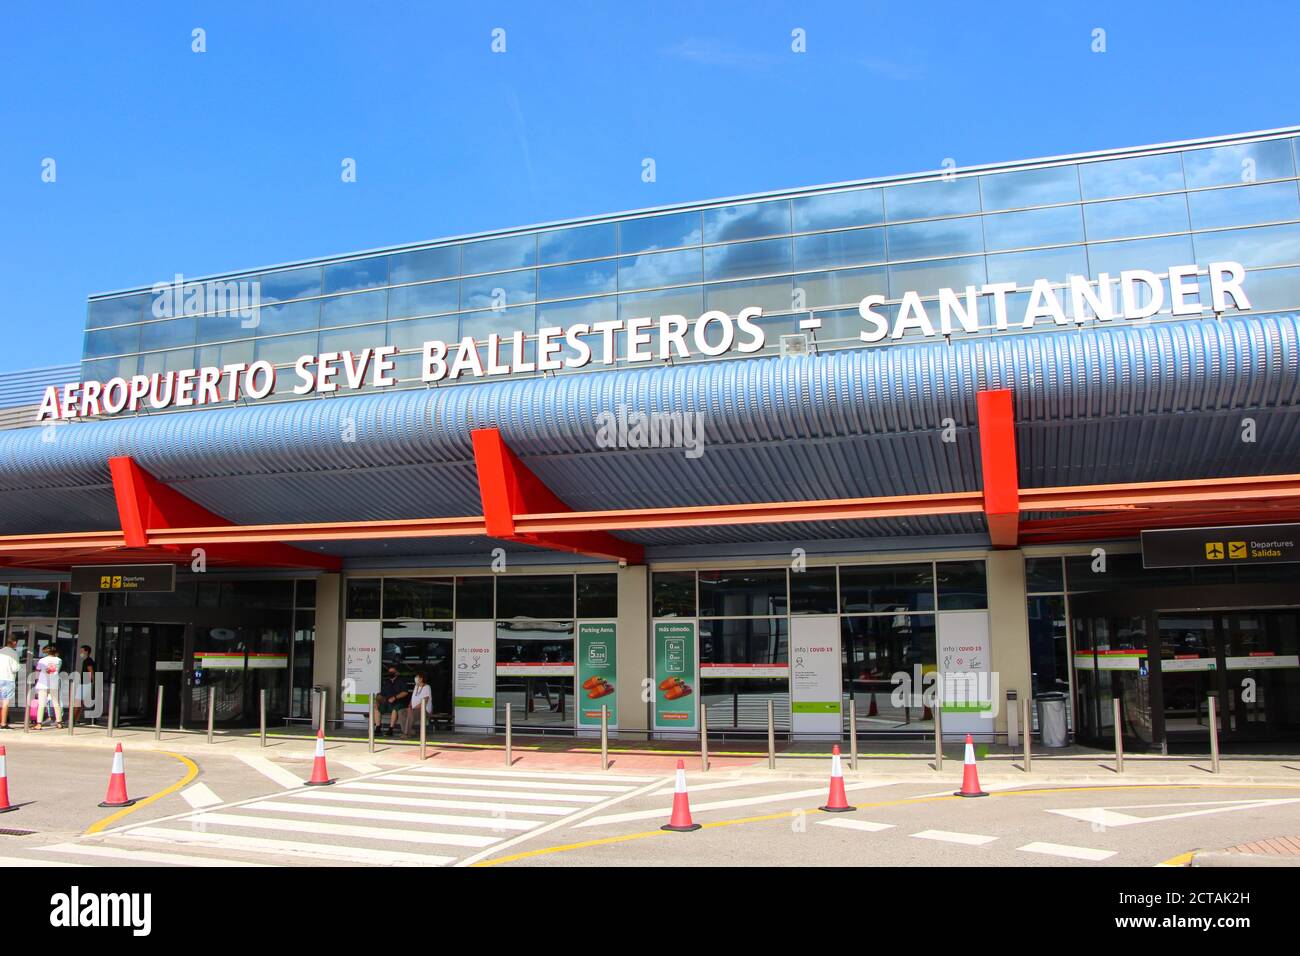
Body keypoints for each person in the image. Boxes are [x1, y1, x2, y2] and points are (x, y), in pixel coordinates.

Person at [32, 645, 63, 730]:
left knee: (42, 704)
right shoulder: (59, 660)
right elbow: (57, 670)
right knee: (56, 703)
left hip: (43, 683)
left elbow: (37, 670)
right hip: (54, 683)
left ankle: (39, 724)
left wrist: (35, 681)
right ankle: (59, 722)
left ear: (47, 652)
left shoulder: (42, 660)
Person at [372, 665, 409, 737]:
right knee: (377, 708)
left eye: (392, 672)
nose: (390, 673)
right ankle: (378, 728)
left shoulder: (401, 681)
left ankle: (390, 729)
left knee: (395, 710)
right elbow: (381, 694)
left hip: (399, 702)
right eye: (389, 672)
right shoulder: (387, 682)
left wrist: (395, 697)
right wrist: (377, 701)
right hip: (387, 702)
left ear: (397, 673)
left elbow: (405, 692)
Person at [71, 645, 95, 727]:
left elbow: (90, 670)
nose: (80, 652)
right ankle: (76, 719)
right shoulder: (87, 660)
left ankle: (72, 719)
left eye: (82, 651)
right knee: (80, 703)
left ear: (86, 651)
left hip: (85, 683)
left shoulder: (88, 661)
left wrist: (93, 681)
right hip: (85, 682)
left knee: (78, 701)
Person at [405, 672, 431, 737]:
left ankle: (406, 734)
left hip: (423, 710)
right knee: (401, 712)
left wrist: (413, 708)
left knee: (410, 713)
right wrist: (410, 705)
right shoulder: (416, 686)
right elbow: (412, 698)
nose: (415, 678)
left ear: (421, 679)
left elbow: (425, 701)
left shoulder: (427, 687)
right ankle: (409, 731)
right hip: (413, 709)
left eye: (417, 677)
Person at [0, 639, 19, 729]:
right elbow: (15, 668)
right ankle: (3, 723)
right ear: (14, 642)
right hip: (8, 679)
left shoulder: (1, 651)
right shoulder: (14, 653)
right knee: (5, 702)